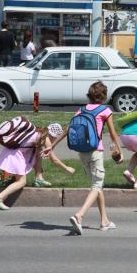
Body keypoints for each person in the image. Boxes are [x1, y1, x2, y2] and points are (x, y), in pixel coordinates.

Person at [42, 81, 124, 235]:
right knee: (97, 186)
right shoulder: (105, 110)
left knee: (96, 186)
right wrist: (119, 151)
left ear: (89, 95)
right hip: (95, 151)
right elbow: (113, 134)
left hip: (82, 152)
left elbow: (68, 128)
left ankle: (104, 221)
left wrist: (52, 145)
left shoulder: (81, 109)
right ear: (104, 96)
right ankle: (79, 216)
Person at [0, 123, 75, 210]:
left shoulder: (37, 132)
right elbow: (54, 160)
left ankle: (38, 179)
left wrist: (37, 170)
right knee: (21, 182)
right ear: (52, 135)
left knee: (38, 155)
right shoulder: (45, 138)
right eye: (55, 137)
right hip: (14, 156)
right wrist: (67, 168)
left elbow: (36, 156)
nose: (55, 140)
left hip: (11, 152)